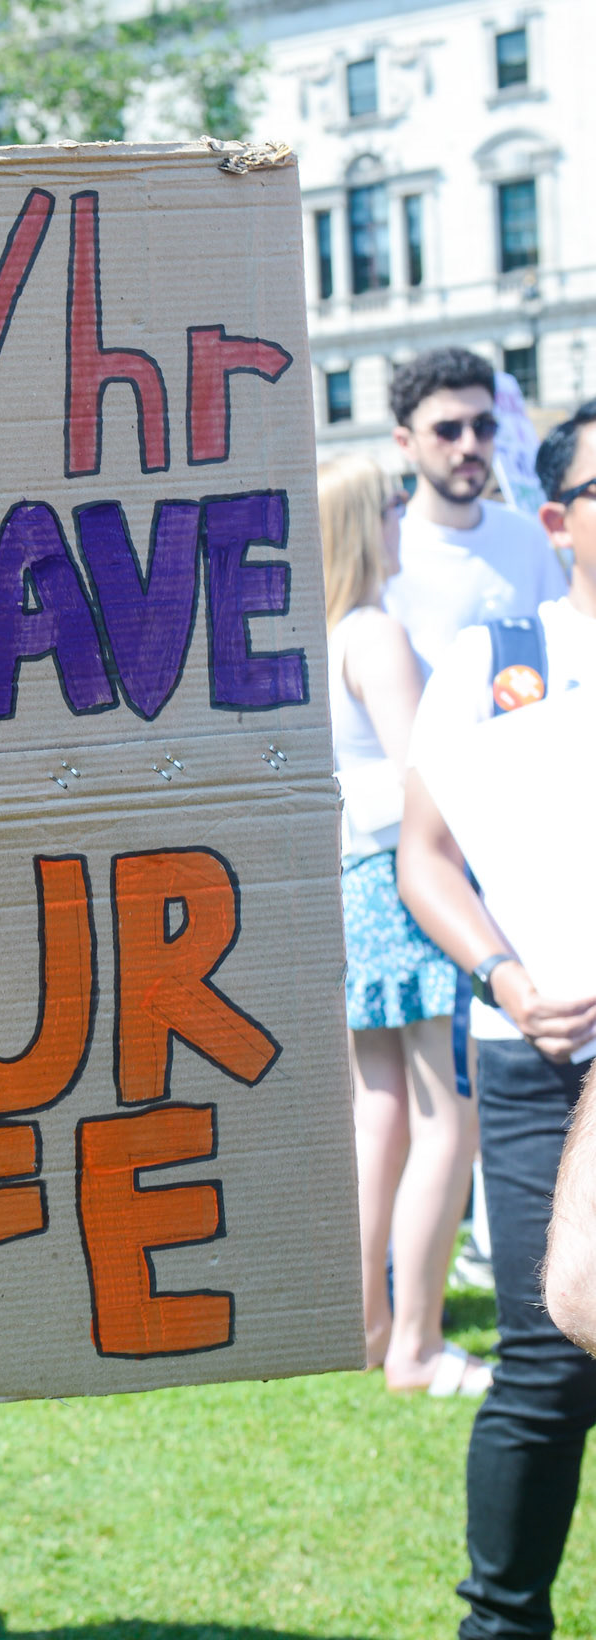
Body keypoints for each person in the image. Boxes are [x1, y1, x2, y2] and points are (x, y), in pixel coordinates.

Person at [399, 397, 596, 1640]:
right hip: (531, 1048)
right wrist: (510, 977)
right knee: (545, 1356)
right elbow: (421, 860)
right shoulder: (491, 658)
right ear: (555, 517)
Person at [319, 456, 485, 1396]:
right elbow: (424, 772)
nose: (401, 520)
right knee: (441, 1123)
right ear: (364, 522)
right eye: (389, 506)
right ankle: (414, 1343)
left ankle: (370, 1325)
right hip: (401, 882)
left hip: (355, 883)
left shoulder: (329, 632)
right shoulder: (374, 631)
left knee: (380, 1113)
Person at [382, 347, 564, 676]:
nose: (469, 445)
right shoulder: (386, 556)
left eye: (483, 426)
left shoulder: (528, 537)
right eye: (447, 431)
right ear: (405, 443)